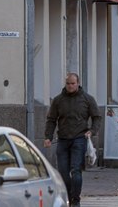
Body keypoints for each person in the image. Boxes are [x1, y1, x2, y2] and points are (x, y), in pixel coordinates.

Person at [44, 72, 102, 207]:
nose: (70, 86)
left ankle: (75, 200)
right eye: (68, 83)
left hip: (79, 138)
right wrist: (48, 137)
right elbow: (51, 119)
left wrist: (92, 131)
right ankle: (69, 197)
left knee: (76, 171)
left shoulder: (87, 99)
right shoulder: (58, 100)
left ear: (78, 83)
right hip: (63, 139)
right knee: (63, 172)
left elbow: (97, 117)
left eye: (73, 83)